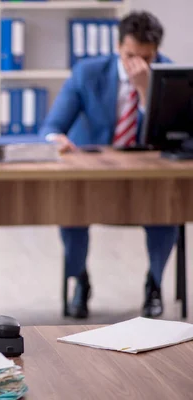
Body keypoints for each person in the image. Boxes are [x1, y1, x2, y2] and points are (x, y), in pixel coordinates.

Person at [39, 11, 177, 319]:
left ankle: (154, 284)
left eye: (147, 57)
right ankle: (79, 280)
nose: (137, 64)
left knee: (167, 211)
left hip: (149, 175)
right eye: (130, 55)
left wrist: (145, 89)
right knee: (71, 212)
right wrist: (55, 139)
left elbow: (172, 133)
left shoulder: (169, 73)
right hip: (92, 173)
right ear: (117, 47)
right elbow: (51, 125)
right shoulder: (88, 72)